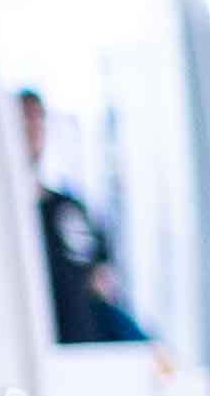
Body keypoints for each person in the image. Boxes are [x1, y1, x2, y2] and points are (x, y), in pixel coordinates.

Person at [20, 88, 147, 343]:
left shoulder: (66, 210)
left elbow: (101, 284)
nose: (33, 128)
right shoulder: (2, 223)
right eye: (24, 119)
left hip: (82, 350)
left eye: (38, 118)